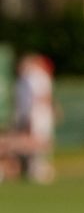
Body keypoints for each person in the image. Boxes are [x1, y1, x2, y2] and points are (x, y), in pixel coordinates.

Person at [13, 54, 55, 183]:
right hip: (33, 114)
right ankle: (34, 169)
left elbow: (43, 96)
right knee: (34, 141)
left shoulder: (37, 76)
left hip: (39, 114)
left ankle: (39, 169)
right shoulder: (27, 78)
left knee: (39, 141)